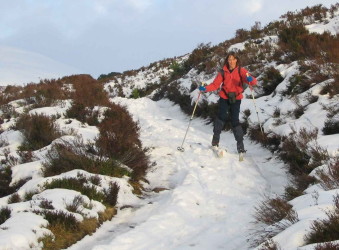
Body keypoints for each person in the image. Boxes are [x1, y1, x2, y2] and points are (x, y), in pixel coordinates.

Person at [199, 52, 257, 153]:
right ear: (227, 61)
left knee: (235, 120)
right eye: (229, 59)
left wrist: (250, 79)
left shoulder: (241, 70)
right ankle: (215, 141)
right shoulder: (223, 72)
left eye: (233, 59)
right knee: (221, 117)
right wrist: (205, 89)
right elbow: (215, 85)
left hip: (237, 97)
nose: (231, 61)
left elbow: (253, 82)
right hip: (224, 97)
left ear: (236, 60)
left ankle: (240, 146)